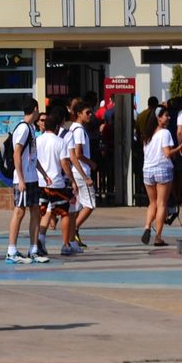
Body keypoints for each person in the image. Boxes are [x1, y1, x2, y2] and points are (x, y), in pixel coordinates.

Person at [5, 99, 47, 264]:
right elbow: (17, 153)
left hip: (32, 177)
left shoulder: (30, 128)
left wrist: (43, 173)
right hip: (23, 179)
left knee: (35, 211)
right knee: (19, 212)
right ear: (35, 109)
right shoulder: (23, 128)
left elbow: (32, 155)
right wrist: (21, 179)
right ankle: (11, 251)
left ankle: (33, 249)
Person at [34, 106, 75, 256]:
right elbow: (64, 163)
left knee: (45, 211)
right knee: (64, 213)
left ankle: (41, 239)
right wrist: (72, 180)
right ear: (57, 127)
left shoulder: (37, 140)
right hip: (57, 182)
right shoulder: (60, 142)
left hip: (40, 182)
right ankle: (65, 245)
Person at [140, 104, 180, 247]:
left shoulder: (147, 135)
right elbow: (167, 153)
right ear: (158, 118)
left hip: (147, 170)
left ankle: (147, 226)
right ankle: (158, 237)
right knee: (162, 203)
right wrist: (180, 148)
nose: (169, 118)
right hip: (162, 168)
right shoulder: (165, 133)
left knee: (152, 203)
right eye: (166, 116)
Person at [66, 99, 97, 251]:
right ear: (79, 114)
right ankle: (75, 229)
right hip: (81, 171)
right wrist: (90, 164)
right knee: (90, 204)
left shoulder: (73, 128)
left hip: (76, 171)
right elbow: (77, 153)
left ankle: (72, 236)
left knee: (77, 206)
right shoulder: (78, 130)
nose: (90, 115)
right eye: (87, 112)